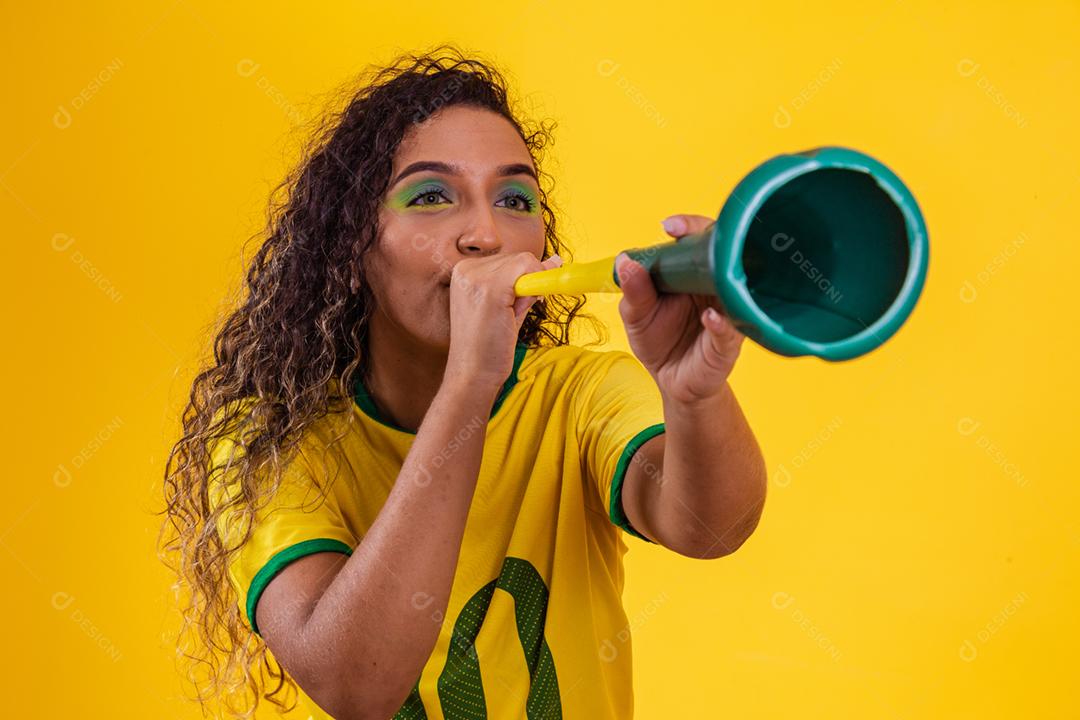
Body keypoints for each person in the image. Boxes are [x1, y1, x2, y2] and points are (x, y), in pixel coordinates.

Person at [160, 46, 766, 720]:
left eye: (514, 199)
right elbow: (353, 685)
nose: (485, 234)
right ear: (351, 245)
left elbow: (714, 529)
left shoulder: (581, 396)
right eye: (430, 196)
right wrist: (470, 385)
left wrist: (694, 397)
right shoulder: (268, 442)